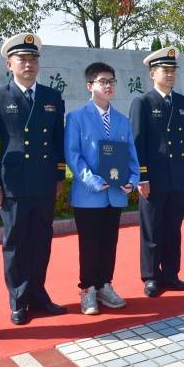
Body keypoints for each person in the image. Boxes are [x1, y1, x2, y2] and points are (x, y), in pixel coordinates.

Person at [0, 33, 67, 325]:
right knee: (16, 243)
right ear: (10, 64)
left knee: (42, 240)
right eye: (22, 59)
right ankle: (18, 300)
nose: (28, 64)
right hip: (13, 184)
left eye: (33, 59)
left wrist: (59, 176)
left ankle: (39, 294)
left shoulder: (52, 97)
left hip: (43, 182)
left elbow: (58, 140)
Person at [64, 62, 139, 315]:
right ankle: (87, 290)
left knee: (109, 242)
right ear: (90, 86)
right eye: (102, 81)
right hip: (89, 194)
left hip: (116, 193)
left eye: (111, 81)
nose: (108, 86)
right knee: (90, 244)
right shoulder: (76, 117)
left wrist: (133, 178)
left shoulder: (121, 119)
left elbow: (131, 154)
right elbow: (73, 155)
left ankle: (105, 285)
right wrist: (93, 181)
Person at [129, 46, 184, 297]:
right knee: (152, 229)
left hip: (178, 176)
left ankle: (171, 273)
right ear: (152, 74)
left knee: (173, 228)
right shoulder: (143, 103)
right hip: (154, 178)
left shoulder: (182, 103)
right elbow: (138, 142)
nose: (169, 75)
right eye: (164, 70)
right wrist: (142, 176)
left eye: (172, 71)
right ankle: (151, 276)